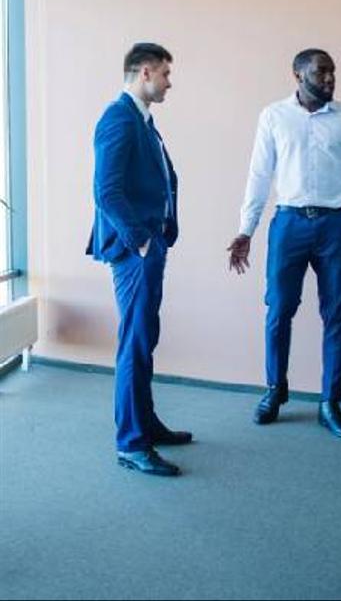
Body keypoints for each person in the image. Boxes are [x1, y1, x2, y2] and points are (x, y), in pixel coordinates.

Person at [227, 49, 341, 439]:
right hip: (289, 223)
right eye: (321, 72)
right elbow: (259, 174)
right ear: (298, 75)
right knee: (278, 309)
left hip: (336, 225)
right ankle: (274, 389)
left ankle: (330, 402)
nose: (330, 78)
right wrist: (246, 229)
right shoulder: (273, 116)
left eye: (333, 72)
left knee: (337, 313)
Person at [87, 43, 189, 477]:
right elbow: (106, 191)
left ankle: (146, 424)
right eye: (165, 73)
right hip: (135, 251)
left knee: (145, 337)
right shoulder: (118, 118)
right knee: (134, 341)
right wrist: (140, 240)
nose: (169, 82)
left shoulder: (143, 120)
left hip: (150, 243)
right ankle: (131, 443)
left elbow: (162, 178)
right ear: (145, 72)